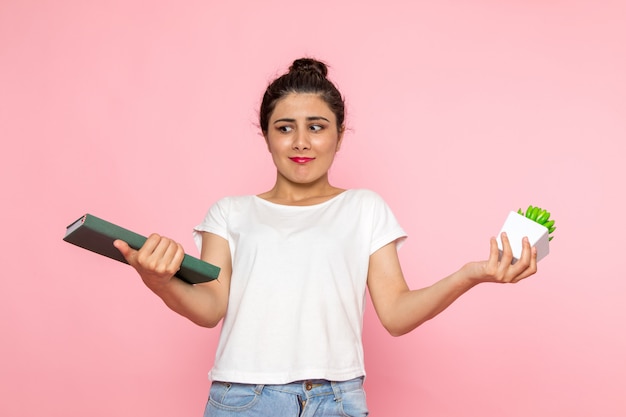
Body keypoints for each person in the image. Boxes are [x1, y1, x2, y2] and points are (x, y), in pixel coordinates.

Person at [114, 57, 538, 417]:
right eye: (284, 128)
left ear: (339, 133)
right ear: (266, 135)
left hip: (337, 400)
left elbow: (396, 314)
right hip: (243, 399)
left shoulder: (364, 208)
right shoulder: (231, 212)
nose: (301, 142)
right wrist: (159, 280)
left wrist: (470, 275)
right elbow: (209, 307)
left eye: (316, 126)